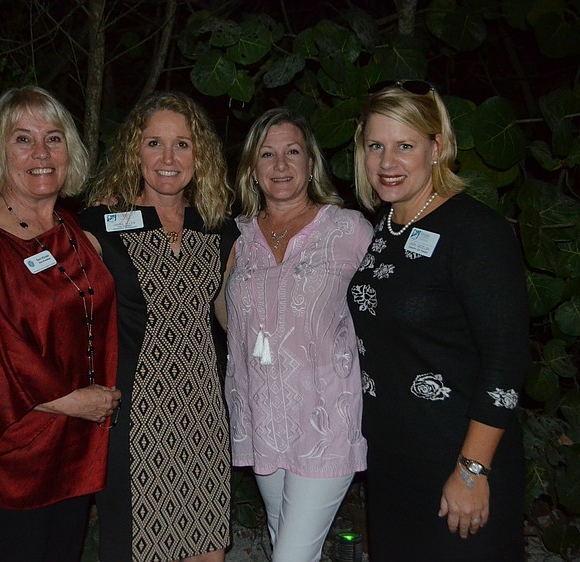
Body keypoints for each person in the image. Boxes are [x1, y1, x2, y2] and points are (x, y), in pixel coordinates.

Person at [347, 80, 530, 561]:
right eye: (376, 146)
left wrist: (472, 471)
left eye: (405, 145)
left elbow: (506, 362)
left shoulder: (475, 231)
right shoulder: (384, 229)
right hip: (391, 464)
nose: (388, 163)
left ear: (438, 147)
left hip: (458, 461)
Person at [0, 86, 121, 562]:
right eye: (23, 139)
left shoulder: (73, 230)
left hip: (77, 447)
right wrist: (73, 400)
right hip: (14, 456)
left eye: (54, 138)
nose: (41, 153)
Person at [80, 91, 237, 562]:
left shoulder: (220, 228)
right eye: (154, 143)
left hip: (204, 413)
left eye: (182, 144)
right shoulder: (100, 225)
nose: (168, 158)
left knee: (206, 550)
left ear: (200, 154)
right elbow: (70, 320)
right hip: (134, 414)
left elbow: (231, 317)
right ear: (135, 151)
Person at [224, 107, 373, 562]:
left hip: (327, 420)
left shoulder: (348, 230)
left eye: (293, 152)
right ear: (251, 168)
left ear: (312, 163)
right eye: (267, 155)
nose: (281, 165)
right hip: (263, 417)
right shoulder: (237, 237)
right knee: (282, 537)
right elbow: (224, 314)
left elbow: (386, 311)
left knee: (290, 556)